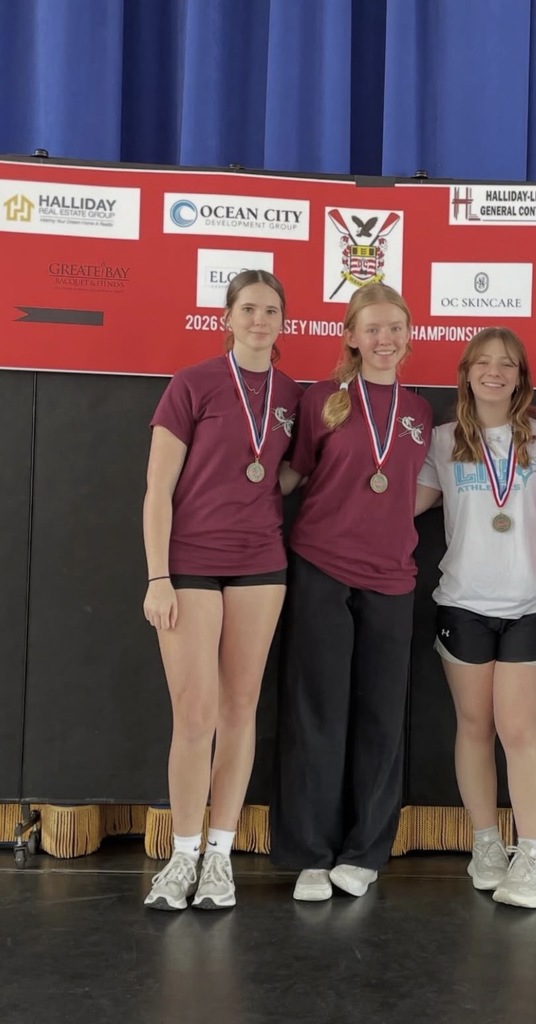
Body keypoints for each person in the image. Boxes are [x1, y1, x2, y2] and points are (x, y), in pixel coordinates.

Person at [142, 269, 302, 911]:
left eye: (271, 311)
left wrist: (259, 490)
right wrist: (157, 576)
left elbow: (287, 473)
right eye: (249, 309)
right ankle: (182, 855)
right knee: (195, 714)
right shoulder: (193, 383)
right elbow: (157, 490)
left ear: (283, 322)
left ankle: (219, 859)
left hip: (262, 563)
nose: (260, 320)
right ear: (227, 318)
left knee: (240, 709)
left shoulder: (293, 393)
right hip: (188, 565)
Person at [270, 282, 432, 901]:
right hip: (320, 566)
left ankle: (364, 852)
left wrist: (388, 519)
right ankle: (312, 853)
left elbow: (426, 487)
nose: (385, 339)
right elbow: (293, 474)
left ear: (408, 336)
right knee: (317, 711)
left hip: (391, 577)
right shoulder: (322, 401)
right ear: (351, 336)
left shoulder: (419, 411)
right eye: (373, 328)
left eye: (395, 327)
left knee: (380, 717)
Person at [415, 327, 536, 909]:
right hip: (463, 602)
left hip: (532, 602)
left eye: (507, 364)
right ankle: (486, 844)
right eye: (483, 363)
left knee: (519, 730)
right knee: (474, 728)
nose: (495, 372)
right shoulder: (442, 441)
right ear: (466, 371)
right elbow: (405, 507)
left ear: (522, 376)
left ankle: (533, 854)